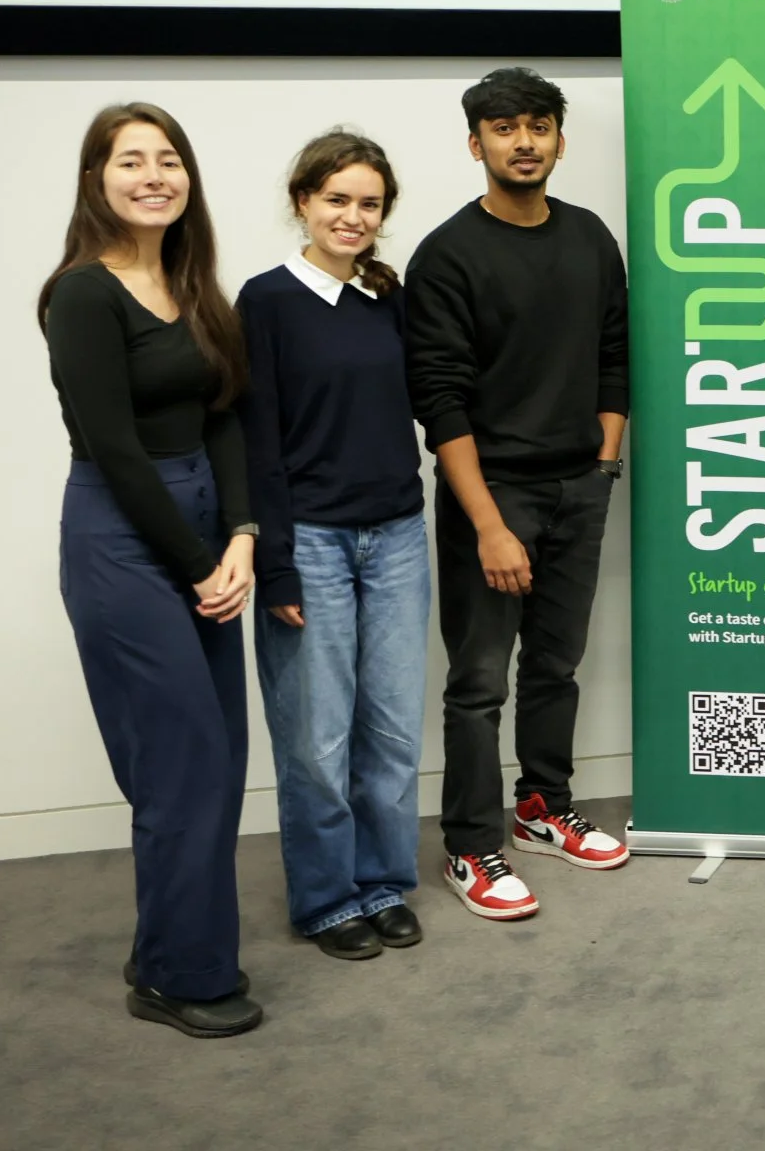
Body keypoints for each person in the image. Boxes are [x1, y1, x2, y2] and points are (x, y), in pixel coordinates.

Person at [39, 103, 260, 1039]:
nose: (153, 176)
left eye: (168, 159)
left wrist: (241, 534)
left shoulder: (192, 285)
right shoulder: (82, 295)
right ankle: (177, 976)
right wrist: (200, 562)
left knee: (221, 756)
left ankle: (169, 944)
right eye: (130, 161)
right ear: (96, 179)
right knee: (183, 762)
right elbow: (114, 449)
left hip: (206, 528)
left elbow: (225, 415)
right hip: (125, 538)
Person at [405, 67, 631, 921]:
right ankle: (470, 845)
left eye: (538, 125)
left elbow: (614, 355)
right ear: (476, 145)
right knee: (477, 683)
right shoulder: (446, 256)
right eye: (504, 129)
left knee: (556, 665)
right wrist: (489, 524)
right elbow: (440, 402)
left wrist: (602, 465)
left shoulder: (589, 237)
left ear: (559, 141)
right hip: (493, 494)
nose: (524, 142)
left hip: (579, 487)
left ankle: (542, 807)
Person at [238, 131, 431, 961]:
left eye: (369, 204)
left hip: (397, 537)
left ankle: (381, 882)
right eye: (337, 200)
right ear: (303, 203)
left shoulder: (387, 299)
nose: (353, 216)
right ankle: (325, 899)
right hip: (310, 543)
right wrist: (275, 562)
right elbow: (256, 440)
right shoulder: (265, 301)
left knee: (391, 729)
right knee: (316, 740)